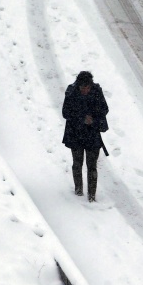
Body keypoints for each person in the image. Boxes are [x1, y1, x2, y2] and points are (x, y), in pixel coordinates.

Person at [62, 71, 109, 202]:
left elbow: (104, 109)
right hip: (75, 134)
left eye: (87, 87)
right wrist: (82, 118)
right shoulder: (71, 93)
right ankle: (78, 190)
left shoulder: (96, 92)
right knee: (77, 163)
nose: (85, 90)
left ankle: (92, 195)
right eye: (83, 88)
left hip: (92, 134)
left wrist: (93, 118)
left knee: (91, 165)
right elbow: (66, 112)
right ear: (78, 85)